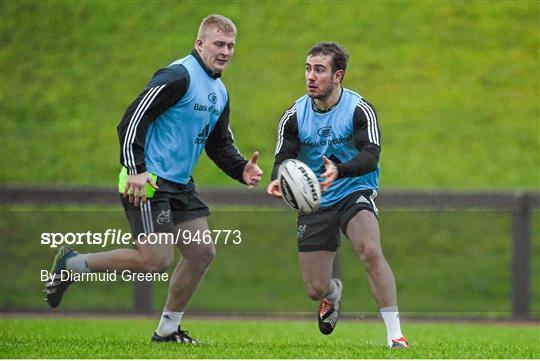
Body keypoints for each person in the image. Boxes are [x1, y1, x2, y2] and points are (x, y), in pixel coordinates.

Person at [45, 14, 263, 344]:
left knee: (202, 252)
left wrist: (241, 168)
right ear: (199, 44)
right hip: (149, 181)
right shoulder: (178, 76)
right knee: (155, 261)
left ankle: (167, 330)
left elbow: (218, 143)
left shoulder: (219, 91)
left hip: (180, 184)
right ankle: (72, 264)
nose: (226, 51)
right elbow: (131, 120)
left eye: (231, 45)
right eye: (219, 44)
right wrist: (135, 169)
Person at [267, 42, 408, 349]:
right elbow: (283, 160)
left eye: (319, 70)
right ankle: (333, 293)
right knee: (314, 289)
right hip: (314, 201)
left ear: (338, 76)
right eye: (307, 68)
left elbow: (371, 155)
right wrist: (278, 181)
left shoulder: (359, 109)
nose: (310, 76)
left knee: (370, 250)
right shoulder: (294, 115)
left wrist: (340, 171)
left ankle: (395, 335)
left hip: (353, 190)